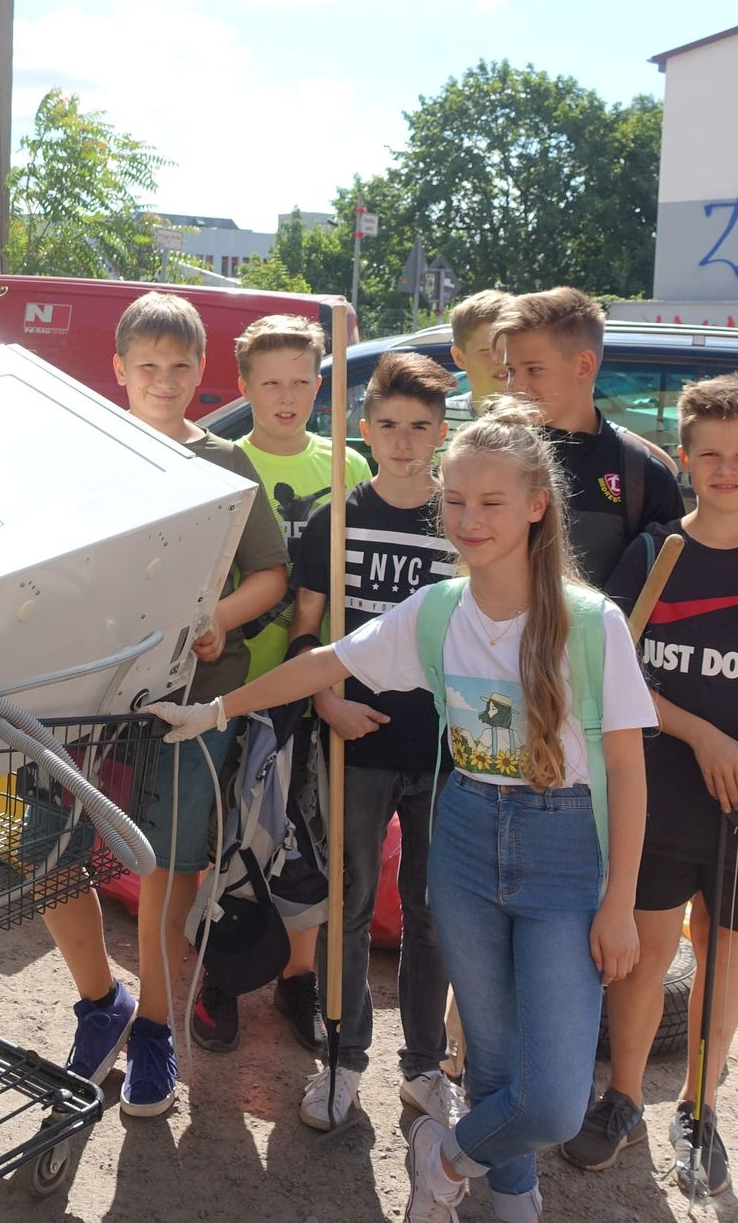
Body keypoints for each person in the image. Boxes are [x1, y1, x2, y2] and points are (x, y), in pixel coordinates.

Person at [150, 398, 653, 1223]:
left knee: (556, 1103)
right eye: (455, 501)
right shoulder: (439, 611)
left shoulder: (592, 625)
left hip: (567, 854)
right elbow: (323, 665)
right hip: (465, 840)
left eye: (491, 502)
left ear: (537, 505)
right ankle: (512, 1198)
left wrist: (621, 902)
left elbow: (629, 770)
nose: (469, 519)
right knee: (492, 1058)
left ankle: (443, 1156)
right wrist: (214, 711)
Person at [563, 373, 738, 1196]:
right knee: (645, 954)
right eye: (711, 455)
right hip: (658, 798)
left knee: (723, 954)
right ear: (684, 459)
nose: (727, 470)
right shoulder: (655, 555)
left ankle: (700, 1108)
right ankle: (623, 1099)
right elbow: (609, 677)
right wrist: (701, 733)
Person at [40, 291, 287, 1120]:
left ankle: (153, 1026)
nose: (164, 379)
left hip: (192, 700)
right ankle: (98, 1003)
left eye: (180, 366)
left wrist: (219, 619)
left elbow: (271, 575)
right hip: (82, 694)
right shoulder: (86, 453)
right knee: (45, 850)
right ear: (118, 368)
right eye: (148, 365)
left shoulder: (225, 462)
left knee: (167, 865)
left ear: (201, 372)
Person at [285, 351, 462, 1132]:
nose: (403, 440)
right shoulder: (337, 518)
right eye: (388, 425)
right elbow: (306, 629)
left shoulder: (462, 519)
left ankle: (424, 1067)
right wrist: (325, 699)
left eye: (419, 426)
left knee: (432, 912)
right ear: (364, 428)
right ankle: (340, 1058)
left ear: (441, 432)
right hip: (353, 742)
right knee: (348, 902)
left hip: (443, 751)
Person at [193, 314, 371, 1056]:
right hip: (236, 681)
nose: (288, 396)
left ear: (321, 383)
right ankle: (222, 970)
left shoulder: (348, 465)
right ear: (244, 387)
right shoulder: (219, 463)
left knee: (308, 837)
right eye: (271, 383)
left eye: (302, 381)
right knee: (223, 831)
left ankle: (299, 975)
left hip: (316, 686)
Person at [493, 287, 684, 584]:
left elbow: (669, 588)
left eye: (533, 369)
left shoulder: (641, 473)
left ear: (584, 366)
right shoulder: (494, 458)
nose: (516, 385)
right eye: (510, 370)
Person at [444, 289, 513, 429]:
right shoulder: (436, 420)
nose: (502, 359)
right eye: (487, 350)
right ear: (459, 358)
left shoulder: (547, 419)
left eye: (510, 348)